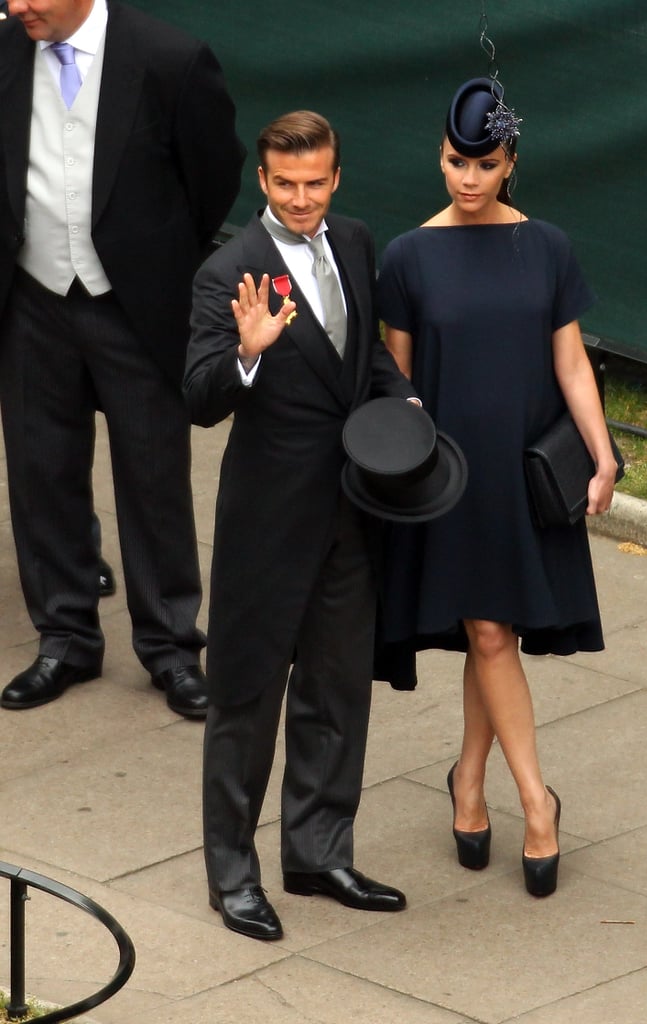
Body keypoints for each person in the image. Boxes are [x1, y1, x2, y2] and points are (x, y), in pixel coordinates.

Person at [377, 78, 618, 898]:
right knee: (486, 633)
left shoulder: (546, 245)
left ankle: (468, 781)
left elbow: (570, 362)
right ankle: (535, 803)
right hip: (450, 478)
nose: (466, 178)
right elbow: (398, 380)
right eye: (453, 161)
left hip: (523, 472)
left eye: (482, 163)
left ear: (509, 160)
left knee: (494, 637)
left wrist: (603, 454)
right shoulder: (408, 256)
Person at [184, 110, 417, 941]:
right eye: (285, 184)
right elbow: (199, 395)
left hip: (351, 515)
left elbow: (368, 363)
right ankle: (234, 876)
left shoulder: (353, 241)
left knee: (336, 690)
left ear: (336, 177)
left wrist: (405, 407)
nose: (301, 199)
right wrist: (246, 354)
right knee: (245, 702)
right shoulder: (229, 271)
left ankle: (318, 851)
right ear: (263, 180)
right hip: (267, 525)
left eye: (315, 182)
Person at [0, 0, 245, 716]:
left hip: (136, 308)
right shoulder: (8, 50)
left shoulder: (171, 60)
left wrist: (155, 263)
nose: (17, 6)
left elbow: (212, 178)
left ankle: (170, 647)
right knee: (41, 471)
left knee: (154, 475)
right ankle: (66, 637)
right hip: (31, 301)